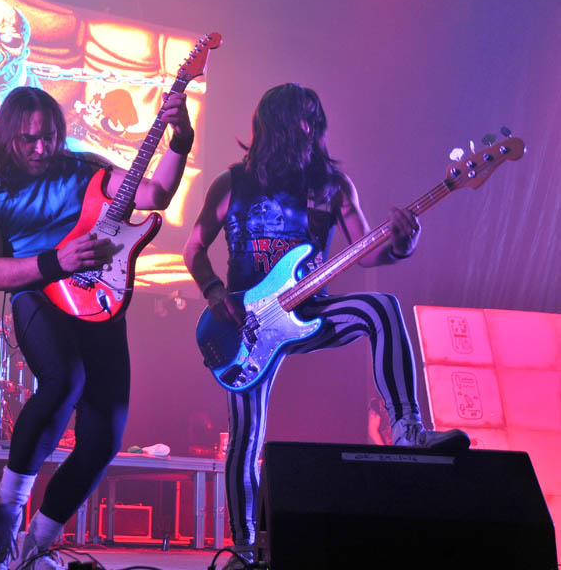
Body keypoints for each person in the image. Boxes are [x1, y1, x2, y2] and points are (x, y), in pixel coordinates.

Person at [182, 83, 469, 568]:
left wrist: (402, 245)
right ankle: (244, 551)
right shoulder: (232, 183)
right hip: (247, 326)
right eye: (301, 117)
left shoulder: (332, 186)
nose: (309, 128)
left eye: (314, 119)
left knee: (381, 307)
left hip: (311, 313)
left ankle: (407, 427)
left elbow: (366, 250)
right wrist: (213, 292)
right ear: (273, 124)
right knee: (246, 437)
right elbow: (193, 247)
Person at [0, 85, 193, 569]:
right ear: (7, 137)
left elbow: (155, 194)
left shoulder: (85, 169)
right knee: (65, 379)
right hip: (37, 294)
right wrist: (55, 261)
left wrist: (181, 139)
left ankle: (36, 546)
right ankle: (6, 514)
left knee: (104, 437)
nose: (40, 148)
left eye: (48, 137)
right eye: (28, 139)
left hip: (101, 301)